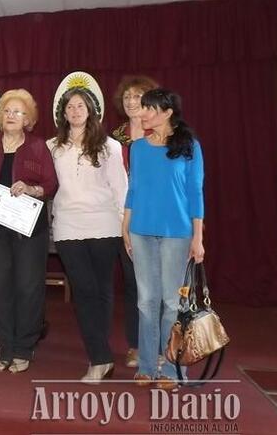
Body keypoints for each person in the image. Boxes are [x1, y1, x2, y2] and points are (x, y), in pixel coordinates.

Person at [123, 88, 205, 390]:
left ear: (168, 112)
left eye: (149, 108)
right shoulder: (138, 147)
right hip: (141, 230)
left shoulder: (190, 147)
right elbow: (133, 189)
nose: (142, 112)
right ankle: (146, 366)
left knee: (172, 303)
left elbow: (196, 194)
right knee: (146, 301)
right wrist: (126, 225)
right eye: (142, 107)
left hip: (177, 233)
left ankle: (171, 370)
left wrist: (198, 237)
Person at [0, 89, 57, 373]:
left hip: (29, 230)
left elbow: (51, 184)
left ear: (27, 119)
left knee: (29, 287)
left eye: (18, 112)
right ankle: (5, 343)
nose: (11, 116)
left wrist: (31, 189)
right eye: (7, 111)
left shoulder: (37, 146)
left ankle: (24, 345)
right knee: (0, 288)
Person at [47, 88, 128, 383]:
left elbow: (120, 188)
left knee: (102, 290)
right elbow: (43, 184)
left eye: (80, 105)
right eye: (70, 106)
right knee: (84, 290)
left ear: (91, 110)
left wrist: (125, 226)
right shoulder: (51, 147)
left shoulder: (109, 146)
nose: (75, 110)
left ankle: (100, 353)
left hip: (105, 225)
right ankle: (100, 357)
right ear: (63, 113)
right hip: (68, 226)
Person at [111, 75, 160, 368]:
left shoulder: (163, 132)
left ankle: (161, 343)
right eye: (127, 97)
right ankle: (136, 345)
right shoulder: (115, 136)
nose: (131, 102)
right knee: (133, 283)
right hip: (125, 217)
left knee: (157, 284)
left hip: (158, 216)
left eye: (138, 96)